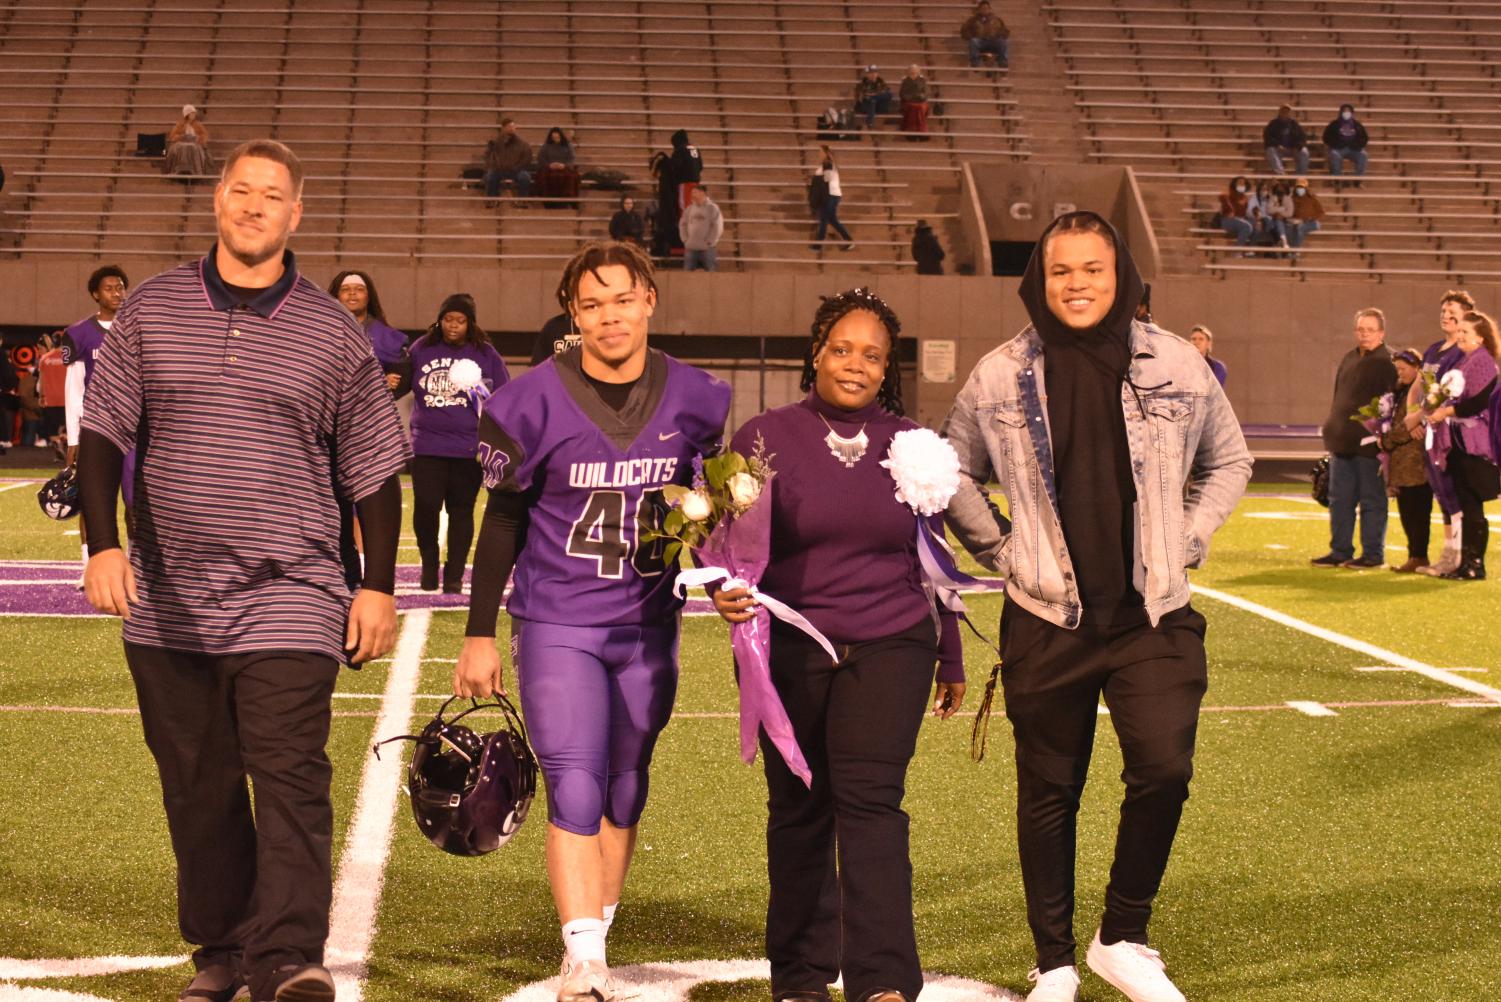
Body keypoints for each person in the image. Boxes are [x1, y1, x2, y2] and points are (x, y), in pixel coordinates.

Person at [77, 138, 410, 1002]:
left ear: (296, 214)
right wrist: (101, 542)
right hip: (167, 596)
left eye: (273, 195)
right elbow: (105, 433)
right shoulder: (151, 308)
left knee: (289, 769)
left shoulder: (333, 332)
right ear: (218, 201)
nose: (255, 205)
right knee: (199, 786)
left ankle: (288, 957)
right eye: (241, 190)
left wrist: (377, 585)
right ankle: (223, 952)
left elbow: (373, 468)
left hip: (292, 590)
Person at [941, 210, 1251, 1002]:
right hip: (1046, 617)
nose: (1075, 284)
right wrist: (1002, 552)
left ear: (1121, 277)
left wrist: (1188, 534)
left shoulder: (1177, 362)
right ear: (1036, 282)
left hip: (1153, 612)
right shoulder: (997, 374)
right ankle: (1052, 963)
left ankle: (1122, 935)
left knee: (1164, 767)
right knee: (1048, 790)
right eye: (1060, 271)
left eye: (1092, 269)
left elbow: (1228, 460)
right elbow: (951, 471)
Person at [452, 240, 731, 1002]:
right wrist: (479, 633)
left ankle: (596, 934)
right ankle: (581, 959)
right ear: (573, 315)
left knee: (625, 785)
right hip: (557, 620)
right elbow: (502, 519)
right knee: (574, 780)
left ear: (649, 299)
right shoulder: (528, 401)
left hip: (648, 621)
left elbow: (715, 511)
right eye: (591, 302)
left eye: (621, 297)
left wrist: (721, 566)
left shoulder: (698, 397)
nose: (609, 314)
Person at [711, 288, 965, 1002]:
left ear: (888, 369)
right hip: (790, 645)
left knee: (870, 806)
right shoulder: (761, 438)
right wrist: (717, 594)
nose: (856, 364)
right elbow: (727, 548)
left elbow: (933, 559)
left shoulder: (912, 444)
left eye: (874, 355)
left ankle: (882, 981)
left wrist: (950, 654)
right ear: (815, 354)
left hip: (891, 643)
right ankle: (799, 976)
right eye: (843, 349)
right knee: (798, 809)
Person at [409, 292, 509, 593]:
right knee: (425, 507)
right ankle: (429, 563)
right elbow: (400, 379)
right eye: (448, 319)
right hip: (427, 445)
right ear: (439, 321)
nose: (453, 326)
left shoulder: (485, 353)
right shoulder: (421, 348)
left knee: (461, 511)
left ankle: (454, 575)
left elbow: (503, 395)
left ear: (470, 323)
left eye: (460, 320)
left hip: (468, 449)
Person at [1312, 308, 1396, 569]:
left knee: (1372, 500)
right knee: (1339, 500)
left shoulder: (1388, 361)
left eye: (1370, 330)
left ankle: (1373, 554)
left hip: (1370, 444)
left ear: (1381, 333)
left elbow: (1391, 402)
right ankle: (1340, 551)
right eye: (1361, 329)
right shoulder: (1349, 357)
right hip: (1341, 442)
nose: (1364, 334)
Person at [1418, 312, 1499, 580]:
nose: (1460, 336)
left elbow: (1478, 402)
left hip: (1473, 443)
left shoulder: (1483, 362)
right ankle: (1466, 562)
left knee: (1472, 504)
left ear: (1481, 337)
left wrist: (1446, 412)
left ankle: (1475, 564)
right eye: (1460, 331)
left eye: (1466, 332)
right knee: (1466, 503)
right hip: (1459, 441)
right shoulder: (1466, 361)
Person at [62, 265, 130, 574]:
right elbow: (74, 391)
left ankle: (135, 566)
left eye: (120, 287)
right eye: (109, 288)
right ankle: (89, 567)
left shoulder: (136, 328)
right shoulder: (80, 334)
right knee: (93, 502)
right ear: (95, 294)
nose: (116, 293)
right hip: (96, 430)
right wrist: (74, 438)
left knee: (136, 502)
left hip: (132, 429)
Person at [1406, 290, 1473, 576]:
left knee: (1453, 494)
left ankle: (1457, 556)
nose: (1446, 316)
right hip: (1430, 429)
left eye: (1452, 312)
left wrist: (1423, 416)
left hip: (1449, 433)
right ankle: (1448, 554)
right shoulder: (1434, 349)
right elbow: (1418, 387)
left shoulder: (1464, 351)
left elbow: (1455, 393)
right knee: (1442, 495)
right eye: (1444, 310)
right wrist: (1413, 416)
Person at [1381, 348, 1432, 572]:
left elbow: (1411, 426)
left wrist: (1387, 439)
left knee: (1417, 512)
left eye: (1403, 369)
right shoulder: (1400, 393)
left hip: (1416, 465)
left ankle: (1418, 555)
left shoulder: (1422, 393)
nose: (1399, 373)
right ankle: (1414, 555)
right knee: (1407, 512)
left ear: (1417, 368)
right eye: (1397, 369)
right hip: (1402, 465)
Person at [329, 270, 410, 399]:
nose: (352, 293)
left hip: (372, 414)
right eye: (345, 289)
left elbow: (402, 381)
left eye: (359, 289)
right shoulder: (322, 332)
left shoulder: (389, 338)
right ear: (336, 296)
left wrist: (381, 389)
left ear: (368, 296)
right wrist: (377, 383)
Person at [811, 147, 853, 252]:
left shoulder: (827, 163)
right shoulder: (827, 164)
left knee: (824, 220)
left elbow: (827, 178)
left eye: (821, 152)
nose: (819, 154)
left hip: (830, 196)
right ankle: (849, 241)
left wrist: (815, 179)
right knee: (832, 220)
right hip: (832, 195)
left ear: (826, 153)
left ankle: (818, 245)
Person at [484, 118, 533, 201]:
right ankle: (492, 199)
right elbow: (488, 156)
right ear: (503, 128)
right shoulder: (495, 143)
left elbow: (527, 159)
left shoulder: (523, 144)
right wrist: (495, 167)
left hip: (516, 170)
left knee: (525, 177)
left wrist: (516, 168)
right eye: (509, 126)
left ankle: (522, 200)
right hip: (499, 170)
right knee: (490, 176)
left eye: (513, 126)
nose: (512, 128)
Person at [679, 185, 724, 272]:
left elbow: (717, 226)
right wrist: (685, 239)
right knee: (687, 274)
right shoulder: (689, 209)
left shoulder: (712, 208)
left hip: (707, 248)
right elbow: (682, 224)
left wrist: (710, 241)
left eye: (695, 192)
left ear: (702, 193)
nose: (692, 195)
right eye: (692, 193)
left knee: (711, 274)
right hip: (691, 247)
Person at [1322, 103, 1369, 183]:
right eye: (1344, 111)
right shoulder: (1334, 124)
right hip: (1338, 148)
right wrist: (1335, 145)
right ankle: (1337, 179)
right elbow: (1326, 137)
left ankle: (1357, 181)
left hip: (1354, 149)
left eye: (1348, 111)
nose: (1346, 113)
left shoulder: (1357, 125)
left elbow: (1364, 138)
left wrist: (1357, 145)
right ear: (1340, 112)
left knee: (1363, 155)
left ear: (1352, 113)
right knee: (1334, 154)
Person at [536, 127, 581, 205]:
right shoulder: (546, 146)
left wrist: (564, 165)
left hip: (564, 168)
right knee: (546, 177)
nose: (555, 139)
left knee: (569, 177)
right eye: (553, 138)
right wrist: (549, 165)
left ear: (561, 136)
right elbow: (540, 158)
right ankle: (549, 202)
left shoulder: (568, 145)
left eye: (557, 137)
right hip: (549, 168)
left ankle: (567, 200)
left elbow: (572, 158)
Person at [164, 104, 211, 178]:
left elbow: (205, 136)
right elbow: (173, 136)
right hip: (181, 144)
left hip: (195, 144)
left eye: (194, 113)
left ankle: (195, 171)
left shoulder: (198, 125)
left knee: (193, 148)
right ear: (187, 115)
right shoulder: (180, 125)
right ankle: (179, 169)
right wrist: (181, 137)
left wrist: (197, 138)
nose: (193, 115)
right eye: (192, 113)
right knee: (181, 148)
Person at [1263, 105, 1310, 176]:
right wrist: (1277, 145)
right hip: (1279, 149)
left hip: (1293, 149)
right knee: (1270, 150)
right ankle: (1281, 173)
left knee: (1304, 152)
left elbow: (1302, 137)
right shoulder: (1273, 124)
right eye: (1283, 111)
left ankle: (1301, 176)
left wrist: (1296, 146)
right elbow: (1267, 137)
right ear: (1279, 112)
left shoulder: (1294, 124)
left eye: (1287, 112)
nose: (1285, 113)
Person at [961, 1, 1010, 68]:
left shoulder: (997, 20)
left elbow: (1005, 31)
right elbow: (964, 30)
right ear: (979, 9)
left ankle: (1002, 62)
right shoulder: (973, 20)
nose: (985, 10)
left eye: (986, 8)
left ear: (990, 9)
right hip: (980, 42)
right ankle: (975, 62)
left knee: (1003, 42)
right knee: (974, 41)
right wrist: (971, 37)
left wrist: (1000, 35)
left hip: (993, 41)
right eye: (982, 8)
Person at [1216, 175, 1255, 250]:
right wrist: (1230, 210)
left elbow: (1247, 211)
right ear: (1235, 184)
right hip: (1228, 220)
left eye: (1243, 184)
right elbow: (1222, 197)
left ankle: (1250, 249)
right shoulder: (1228, 195)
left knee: (1255, 225)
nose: (1241, 185)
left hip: (1240, 220)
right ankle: (1237, 250)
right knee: (1247, 227)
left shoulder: (1245, 198)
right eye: (1239, 183)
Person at [1288, 177, 1325, 255]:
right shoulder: (1292, 199)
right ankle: (1294, 250)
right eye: (1298, 187)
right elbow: (1289, 213)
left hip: (1311, 222)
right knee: (1293, 228)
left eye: (1302, 188)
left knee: (1300, 227)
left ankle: (1294, 250)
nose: (1300, 189)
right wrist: (1292, 220)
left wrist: (1309, 218)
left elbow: (1320, 212)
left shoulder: (1312, 199)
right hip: (1296, 222)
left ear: (1306, 188)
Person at [898, 64, 930, 137]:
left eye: (915, 71)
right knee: (912, 107)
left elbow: (926, 92)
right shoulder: (905, 81)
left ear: (918, 72)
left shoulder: (922, 80)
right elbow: (902, 93)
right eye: (912, 71)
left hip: (920, 101)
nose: (913, 73)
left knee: (920, 107)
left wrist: (921, 97)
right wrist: (911, 98)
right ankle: (911, 129)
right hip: (909, 101)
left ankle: (921, 129)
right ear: (908, 72)